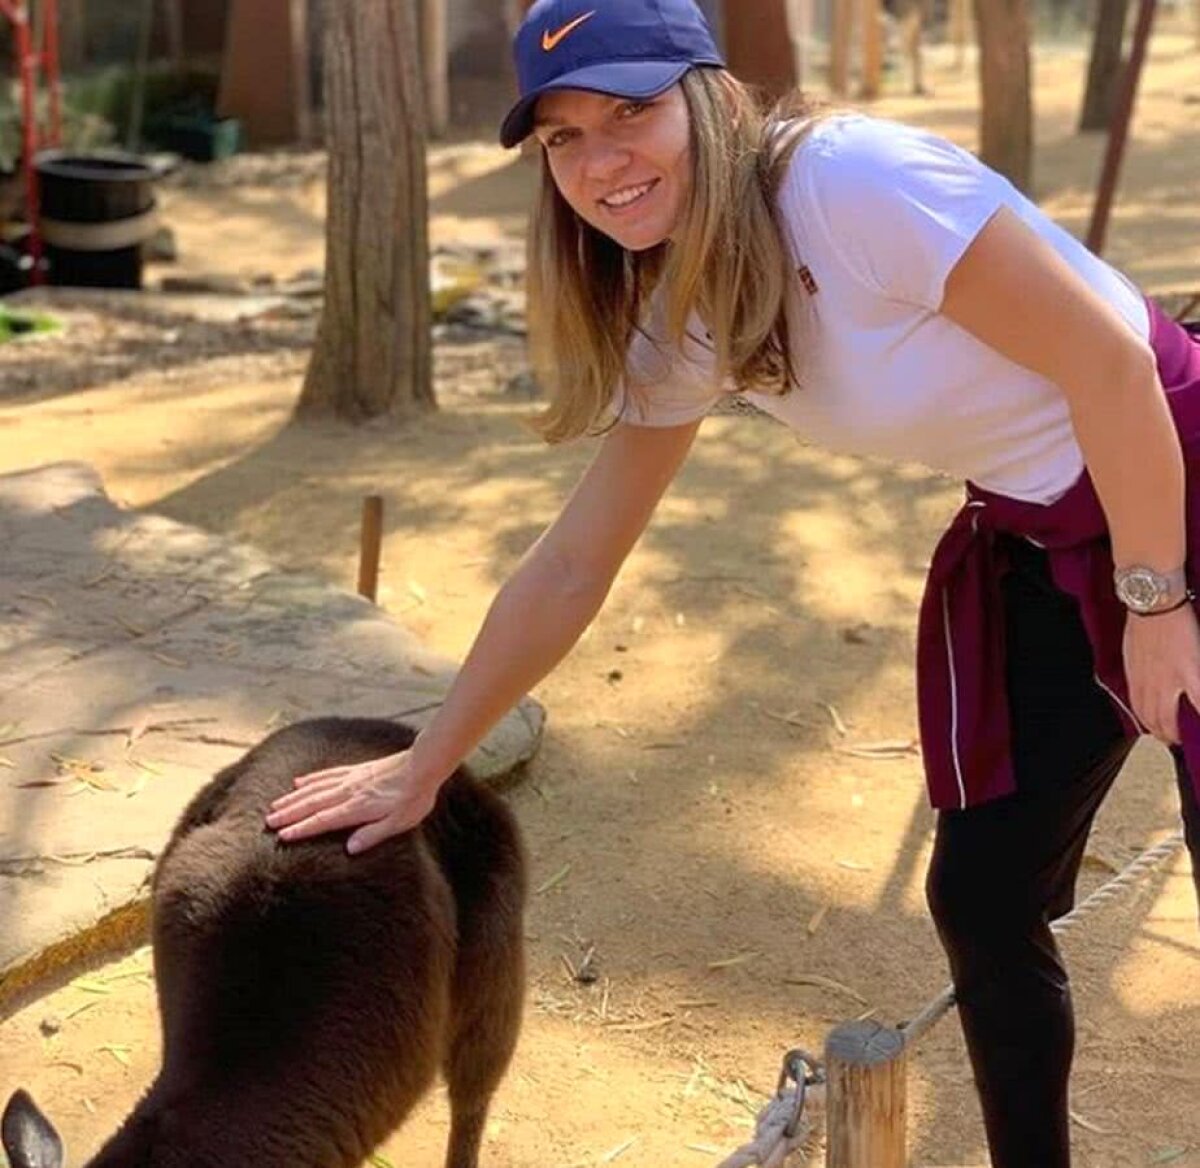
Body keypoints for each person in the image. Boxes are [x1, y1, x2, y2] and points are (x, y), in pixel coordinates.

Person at [266, 0, 1200, 1163]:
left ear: (705, 95)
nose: (602, 162)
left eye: (630, 111)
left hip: (1174, 478)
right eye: (562, 138)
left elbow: (1113, 364)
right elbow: (572, 562)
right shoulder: (681, 311)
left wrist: (1156, 598)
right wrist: (427, 760)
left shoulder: (847, 183)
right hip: (1036, 529)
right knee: (985, 895)